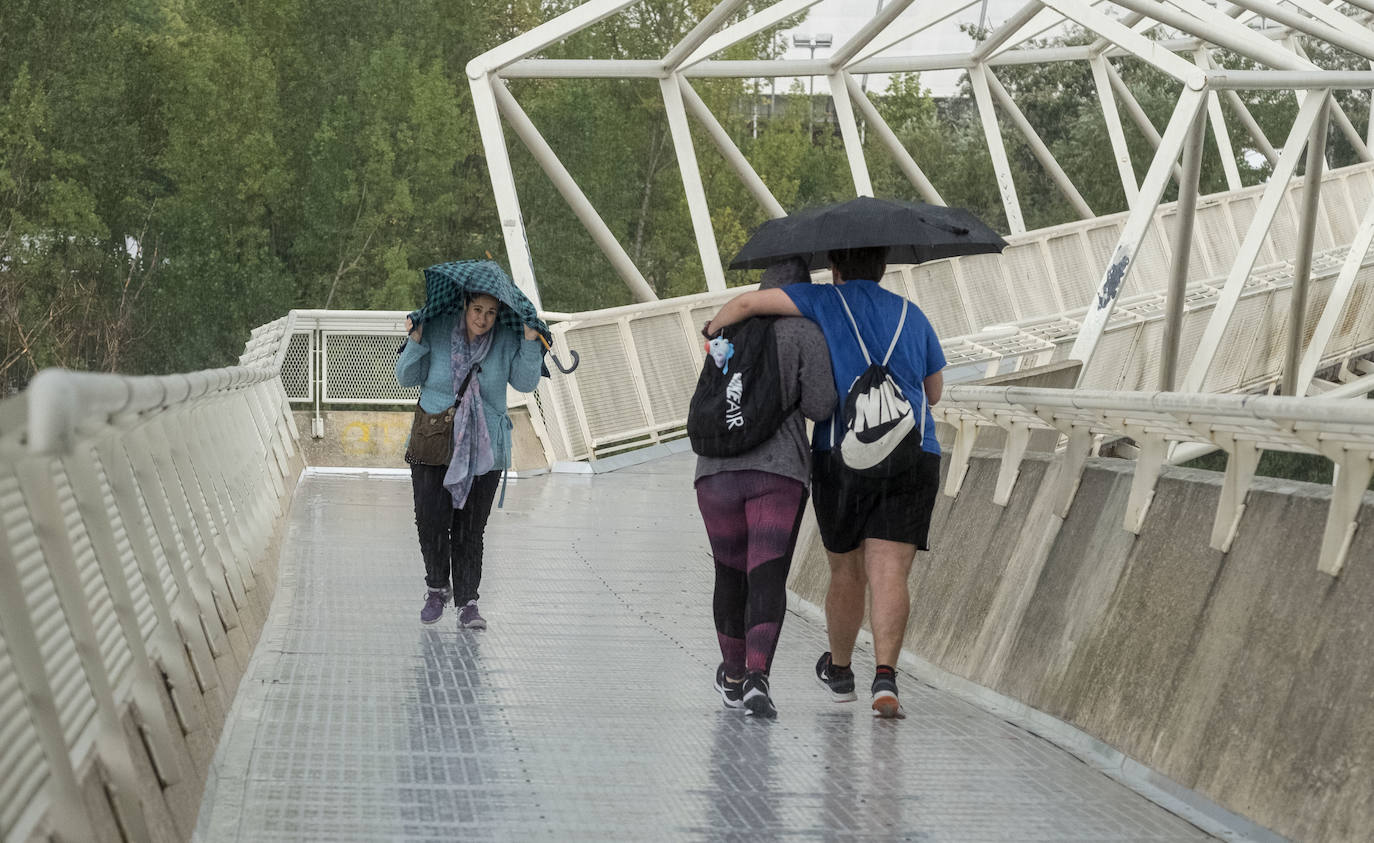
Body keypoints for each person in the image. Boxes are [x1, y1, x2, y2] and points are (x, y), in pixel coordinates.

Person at [704, 246, 945, 719]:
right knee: (889, 570)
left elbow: (749, 304)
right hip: (914, 453)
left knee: (846, 569)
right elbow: (933, 393)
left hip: (841, 453)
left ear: (835, 268)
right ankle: (885, 678)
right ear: (883, 267)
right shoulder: (912, 316)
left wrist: (712, 332)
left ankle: (840, 670)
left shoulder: (824, 301)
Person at [696, 258, 835, 719]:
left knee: (728, 574)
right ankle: (757, 677)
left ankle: (733, 676)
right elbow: (821, 405)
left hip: (714, 472)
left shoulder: (724, 332)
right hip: (777, 473)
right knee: (766, 574)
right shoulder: (805, 332)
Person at [397, 290, 543, 628]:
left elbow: (526, 383)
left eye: (491, 312)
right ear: (464, 306)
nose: (483, 319)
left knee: (470, 529)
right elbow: (406, 377)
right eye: (477, 309)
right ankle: (437, 588)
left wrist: (529, 340)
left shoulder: (505, 337)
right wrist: (415, 339)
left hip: (485, 446)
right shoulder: (435, 328)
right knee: (430, 520)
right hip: (434, 440)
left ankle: (468, 603)